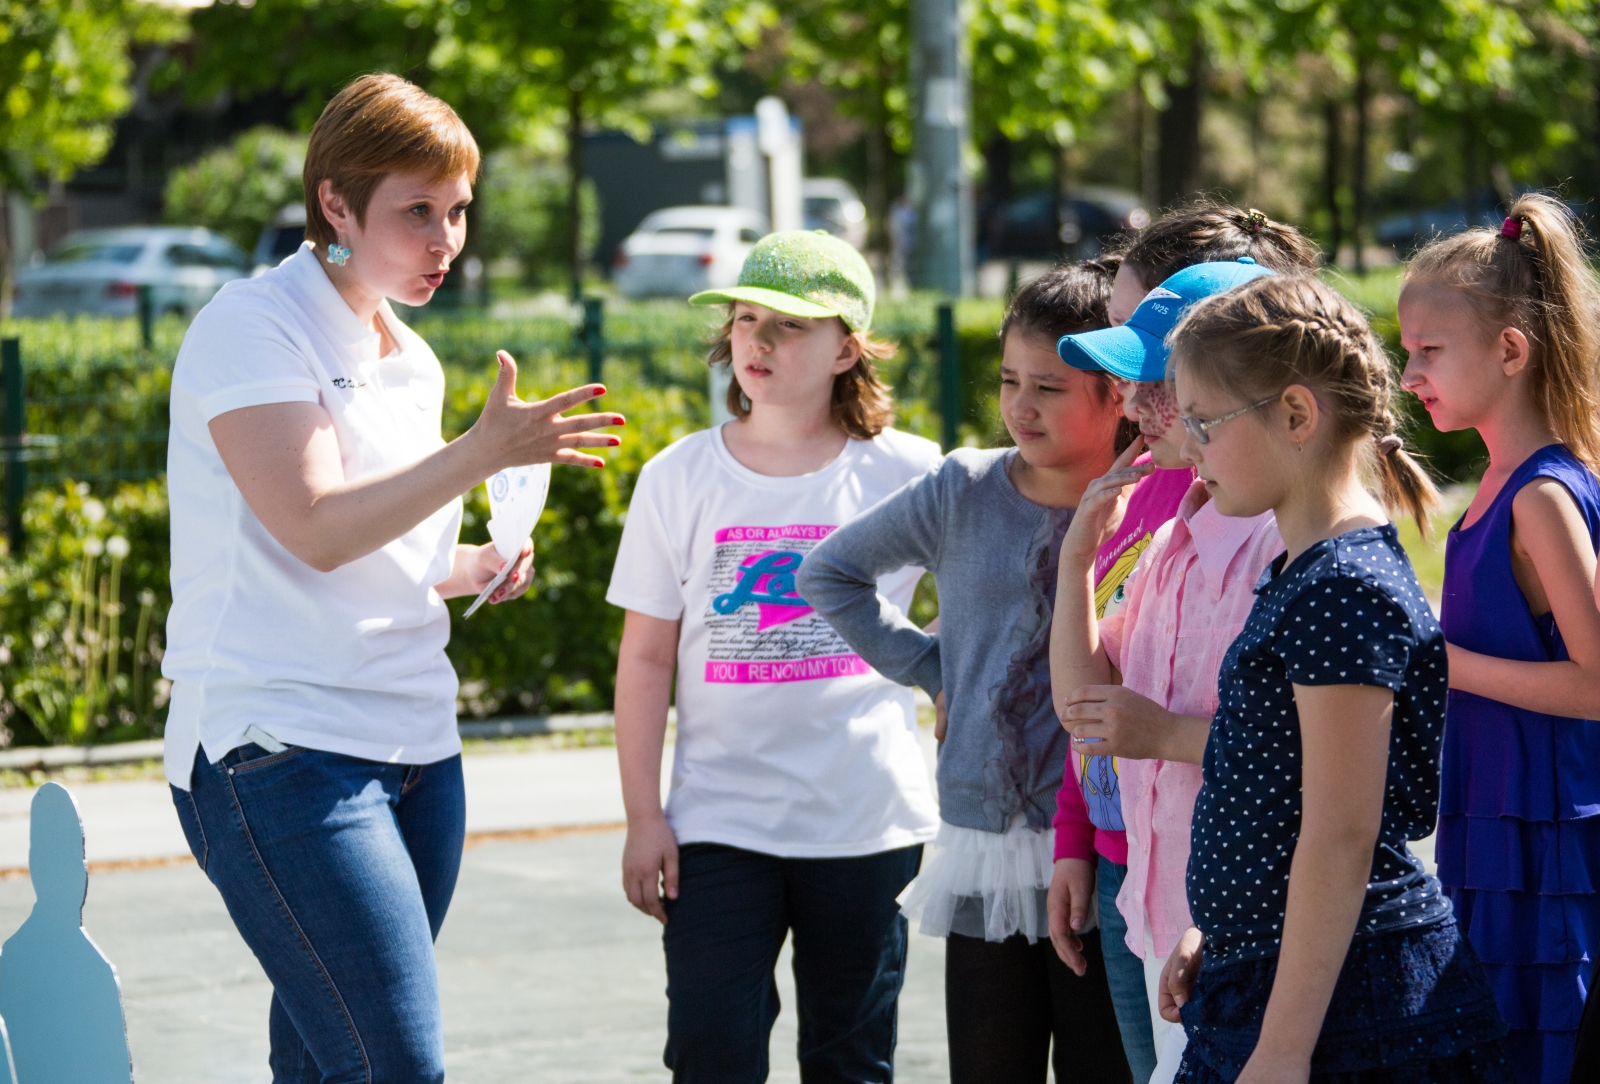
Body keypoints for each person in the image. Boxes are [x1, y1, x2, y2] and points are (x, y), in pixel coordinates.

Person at [163, 74, 624, 1081]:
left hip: (419, 752)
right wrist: (481, 453)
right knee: (394, 1066)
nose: (446, 238)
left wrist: (479, 564)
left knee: (332, 1064)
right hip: (277, 751)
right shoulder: (252, 325)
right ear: (335, 202)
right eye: (418, 210)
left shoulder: (410, 359)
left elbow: (388, 556)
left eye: (458, 209)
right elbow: (316, 530)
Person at [606, 230, 941, 1084]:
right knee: (711, 1053)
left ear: (848, 347)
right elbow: (645, 661)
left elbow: (983, 624)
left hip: (864, 823)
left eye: (789, 325)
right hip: (718, 824)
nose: (756, 341)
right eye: (746, 318)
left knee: (849, 1062)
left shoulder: (911, 473)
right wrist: (645, 817)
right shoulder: (678, 476)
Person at [1161, 274, 1510, 1084]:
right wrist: (1222, 934)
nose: (1188, 448)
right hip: (1273, 981)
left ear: (1295, 414)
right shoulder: (1308, 571)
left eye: (1204, 423)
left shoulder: (1343, 588)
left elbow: (1343, 835)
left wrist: (1283, 1048)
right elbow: (1278, 796)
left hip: (1356, 1015)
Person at [798, 263, 1134, 1084]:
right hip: (984, 835)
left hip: (1105, 837)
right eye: (1009, 380)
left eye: (1050, 388)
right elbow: (828, 574)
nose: (1021, 405)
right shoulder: (963, 486)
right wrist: (935, 670)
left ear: (1117, 395)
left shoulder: (1154, 499)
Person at [1048, 205, 1321, 1082]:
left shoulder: (1289, 543)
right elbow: (1083, 709)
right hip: (1164, 917)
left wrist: (1161, 735)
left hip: (1247, 927)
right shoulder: (1175, 532)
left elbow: (1334, 775)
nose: (1132, 402)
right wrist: (1075, 564)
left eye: (1156, 381)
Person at [1398, 193, 1600, 1084]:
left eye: (1428, 353)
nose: (1410, 376)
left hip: (1548, 848)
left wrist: (1440, 660)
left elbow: (1596, 686)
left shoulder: (1542, 497)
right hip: (1495, 833)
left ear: (1511, 350)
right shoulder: (1499, 484)